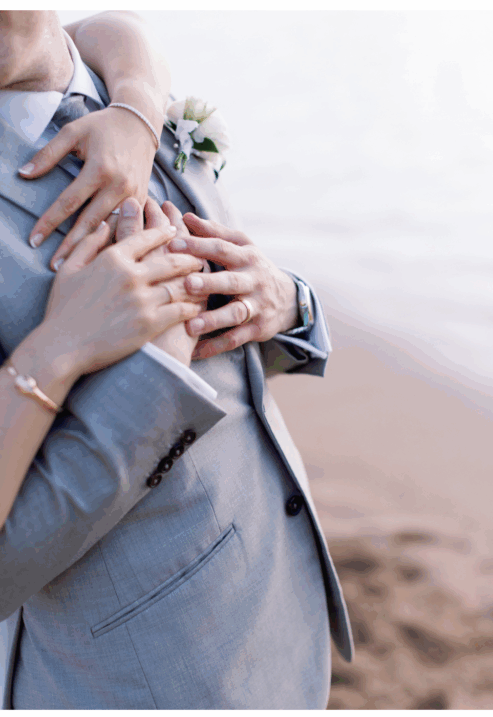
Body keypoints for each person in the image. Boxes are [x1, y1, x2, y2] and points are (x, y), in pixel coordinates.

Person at [0, 12, 352, 708]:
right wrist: (97, 358)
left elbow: (230, 369)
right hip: (137, 674)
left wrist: (288, 305)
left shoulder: (119, 83)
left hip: (280, 604)